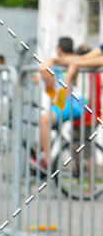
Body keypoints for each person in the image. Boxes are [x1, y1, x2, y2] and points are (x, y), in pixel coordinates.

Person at [38, 37, 85, 167]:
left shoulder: (74, 61)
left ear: (59, 49)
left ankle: (46, 160)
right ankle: (77, 165)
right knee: (71, 138)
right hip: (67, 102)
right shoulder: (67, 62)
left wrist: (50, 63)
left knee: (45, 121)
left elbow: (44, 70)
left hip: (72, 103)